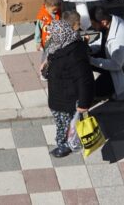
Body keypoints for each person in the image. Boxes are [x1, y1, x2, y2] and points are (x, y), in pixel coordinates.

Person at [45, 11, 93, 158]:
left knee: (65, 125)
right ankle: (63, 142)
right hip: (58, 95)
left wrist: (84, 103)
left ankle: (65, 146)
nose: (52, 37)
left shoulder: (74, 54)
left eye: (55, 35)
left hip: (67, 98)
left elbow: (84, 79)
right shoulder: (59, 46)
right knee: (62, 122)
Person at [89, 6, 124, 102]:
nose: (92, 27)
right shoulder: (110, 21)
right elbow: (101, 41)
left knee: (93, 91)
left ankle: (119, 90)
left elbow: (116, 65)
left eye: (93, 24)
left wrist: (92, 61)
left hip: (123, 73)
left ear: (103, 22)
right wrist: (89, 48)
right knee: (86, 61)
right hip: (111, 57)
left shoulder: (118, 39)